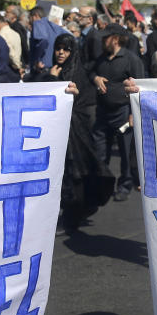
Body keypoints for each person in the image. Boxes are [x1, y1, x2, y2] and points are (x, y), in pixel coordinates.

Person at [28, 33, 113, 230]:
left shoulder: (75, 72)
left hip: (75, 131)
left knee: (74, 173)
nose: (60, 53)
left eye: (66, 49)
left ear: (72, 51)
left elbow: (70, 99)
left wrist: (52, 78)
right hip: (62, 130)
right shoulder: (59, 70)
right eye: (58, 48)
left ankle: (73, 215)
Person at [91, 23, 144, 202]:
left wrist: (133, 113)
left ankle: (124, 185)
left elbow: (139, 87)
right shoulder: (101, 59)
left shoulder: (131, 59)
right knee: (100, 151)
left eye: (105, 37)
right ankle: (102, 184)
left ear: (114, 39)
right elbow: (89, 70)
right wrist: (95, 78)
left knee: (125, 152)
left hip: (123, 113)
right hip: (103, 112)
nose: (102, 41)